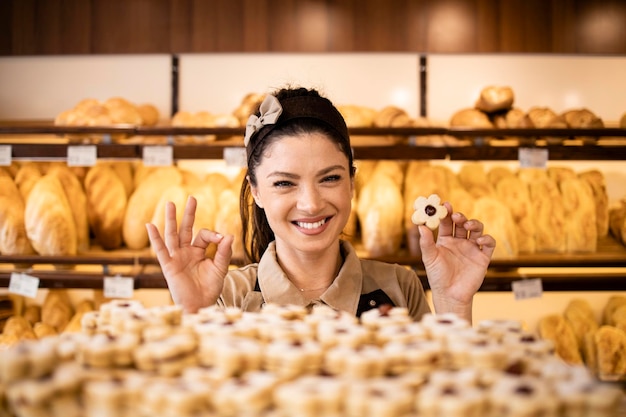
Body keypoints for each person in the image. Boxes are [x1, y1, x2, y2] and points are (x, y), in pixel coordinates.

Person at [146, 86, 496, 323]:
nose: (311, 204)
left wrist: (453, 304)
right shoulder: (226, 297)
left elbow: (440, 400)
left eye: (330, 178)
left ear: (352, 182)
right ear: (255, 191)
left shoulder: (399, 287)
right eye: (284, 183)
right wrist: (192, 315)